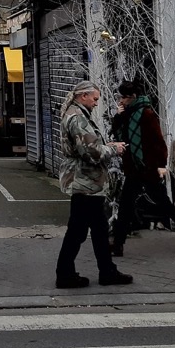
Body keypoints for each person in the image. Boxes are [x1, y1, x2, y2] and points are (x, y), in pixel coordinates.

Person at [110, 78, 175, 255]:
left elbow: (158, 142)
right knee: (126, 206)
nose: (121, 100)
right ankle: (118, 244)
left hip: (148, 168)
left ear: (133, 97)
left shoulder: (146, 114)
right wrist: (118, 115)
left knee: (164, 206)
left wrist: (161, 165)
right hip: (135, 169)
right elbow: (119, 135)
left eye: (124, 97)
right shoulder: (128, 113)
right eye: (120, 97)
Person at [55, 80, 133, 289]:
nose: (96, 103)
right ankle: (65, 273)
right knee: (79, 231)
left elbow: (89, 147)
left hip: (86, 182)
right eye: (95, 99)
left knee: (97, 229)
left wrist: (107, 145)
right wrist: (113, 150)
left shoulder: (75, 114)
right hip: (85, 182)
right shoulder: (78, 118)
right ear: (83, 96)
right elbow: (92, 152)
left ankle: (106, 270)